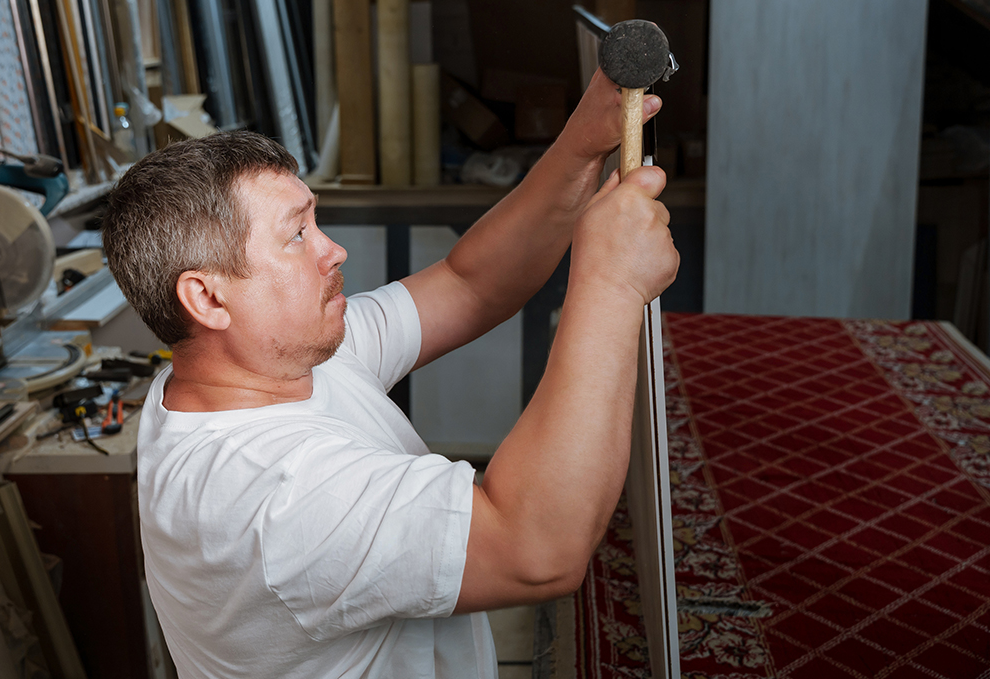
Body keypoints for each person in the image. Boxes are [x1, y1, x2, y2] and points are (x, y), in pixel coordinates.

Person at [101, 68, 678, 679]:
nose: (333, 250)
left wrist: (579, 146)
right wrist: (611, 283)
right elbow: (537, 549)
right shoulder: (276, 495)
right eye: (296, 236)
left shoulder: (263, 363)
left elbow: (469, 284)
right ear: (208, 298)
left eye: (314, 222)